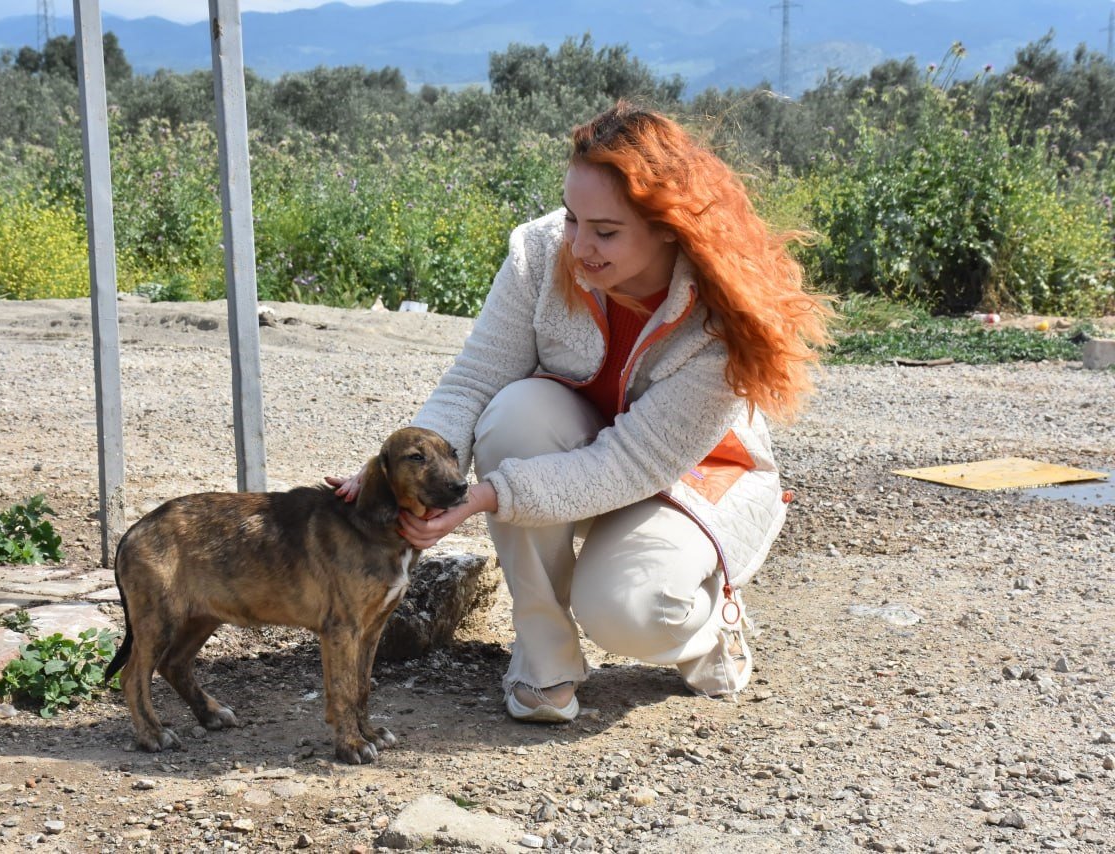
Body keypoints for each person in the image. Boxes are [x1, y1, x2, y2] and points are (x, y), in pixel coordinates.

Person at [330, 101, 833, 723]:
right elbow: (473, 382)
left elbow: (628, 464)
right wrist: (389, 473)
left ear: (669, 227)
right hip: (579, 450)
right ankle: (544, 659)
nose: (579, 246)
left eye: (606, 230)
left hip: (692, 476)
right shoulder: (539, 255)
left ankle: (710, 629)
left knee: (630, 612)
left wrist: (485, 495)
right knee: (513, 412)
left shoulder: (720, 319)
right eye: (572, 219)